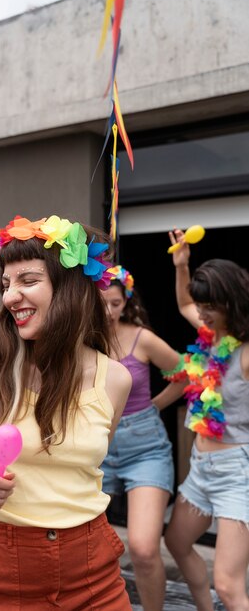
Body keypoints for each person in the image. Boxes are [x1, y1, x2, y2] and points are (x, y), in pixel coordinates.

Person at [0, 214, 133, 610]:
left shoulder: (116, 380)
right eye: (6, 285)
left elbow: (85, 465)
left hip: (92, 565)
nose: (9, 297)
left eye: (27, 281)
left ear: (72, 288)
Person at [163, 228, 249, 611]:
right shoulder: (210, 336)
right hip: (201, 469)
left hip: (237, 473)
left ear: (233, 302)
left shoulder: (245, 353)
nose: (200, 313)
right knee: (177, 544)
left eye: (209, 306)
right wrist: (182, 266)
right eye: (201, 306)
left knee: (229, 586)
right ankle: (203, 607)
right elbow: (184, 302)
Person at [98, 263, 183, 611]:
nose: (108, 311)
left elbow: (184, 374)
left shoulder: (140, 337)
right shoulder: (79, 338)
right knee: (85, 547)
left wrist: (154, 404)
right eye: (101, 302)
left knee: (145, 549)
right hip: (95, 447)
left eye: (115, 303)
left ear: (126, 301)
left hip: (144, 447)